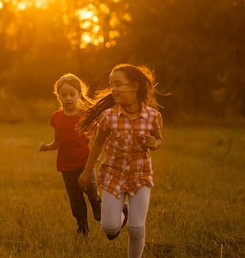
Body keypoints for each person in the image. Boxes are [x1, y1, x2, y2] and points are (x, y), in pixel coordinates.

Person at [78, 64, 164, 258]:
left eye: (118, 84)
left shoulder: (152, 116)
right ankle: (121, 215)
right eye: (111, 84)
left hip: (140, 175)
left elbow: (159, 138)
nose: (113, 89)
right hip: (113, 175)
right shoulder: (108, 117)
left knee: (136, 228)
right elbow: (98, 144)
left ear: (134, 86)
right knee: (109, 227)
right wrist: (86, 171)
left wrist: (155, 143)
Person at [39, 73, 102, 235]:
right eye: (64, 95)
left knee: (92, 193)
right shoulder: (56, 117)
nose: (68, 98)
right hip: (66, 167)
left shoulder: (85, 115)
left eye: (72, 94)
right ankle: (82, 228)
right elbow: (58, 142)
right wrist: (47, 147)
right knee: (76, 202)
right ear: (58, 95)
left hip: (84, 164)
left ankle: (100, 210)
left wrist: (97, 156)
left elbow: (98, 138)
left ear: (79, 94)